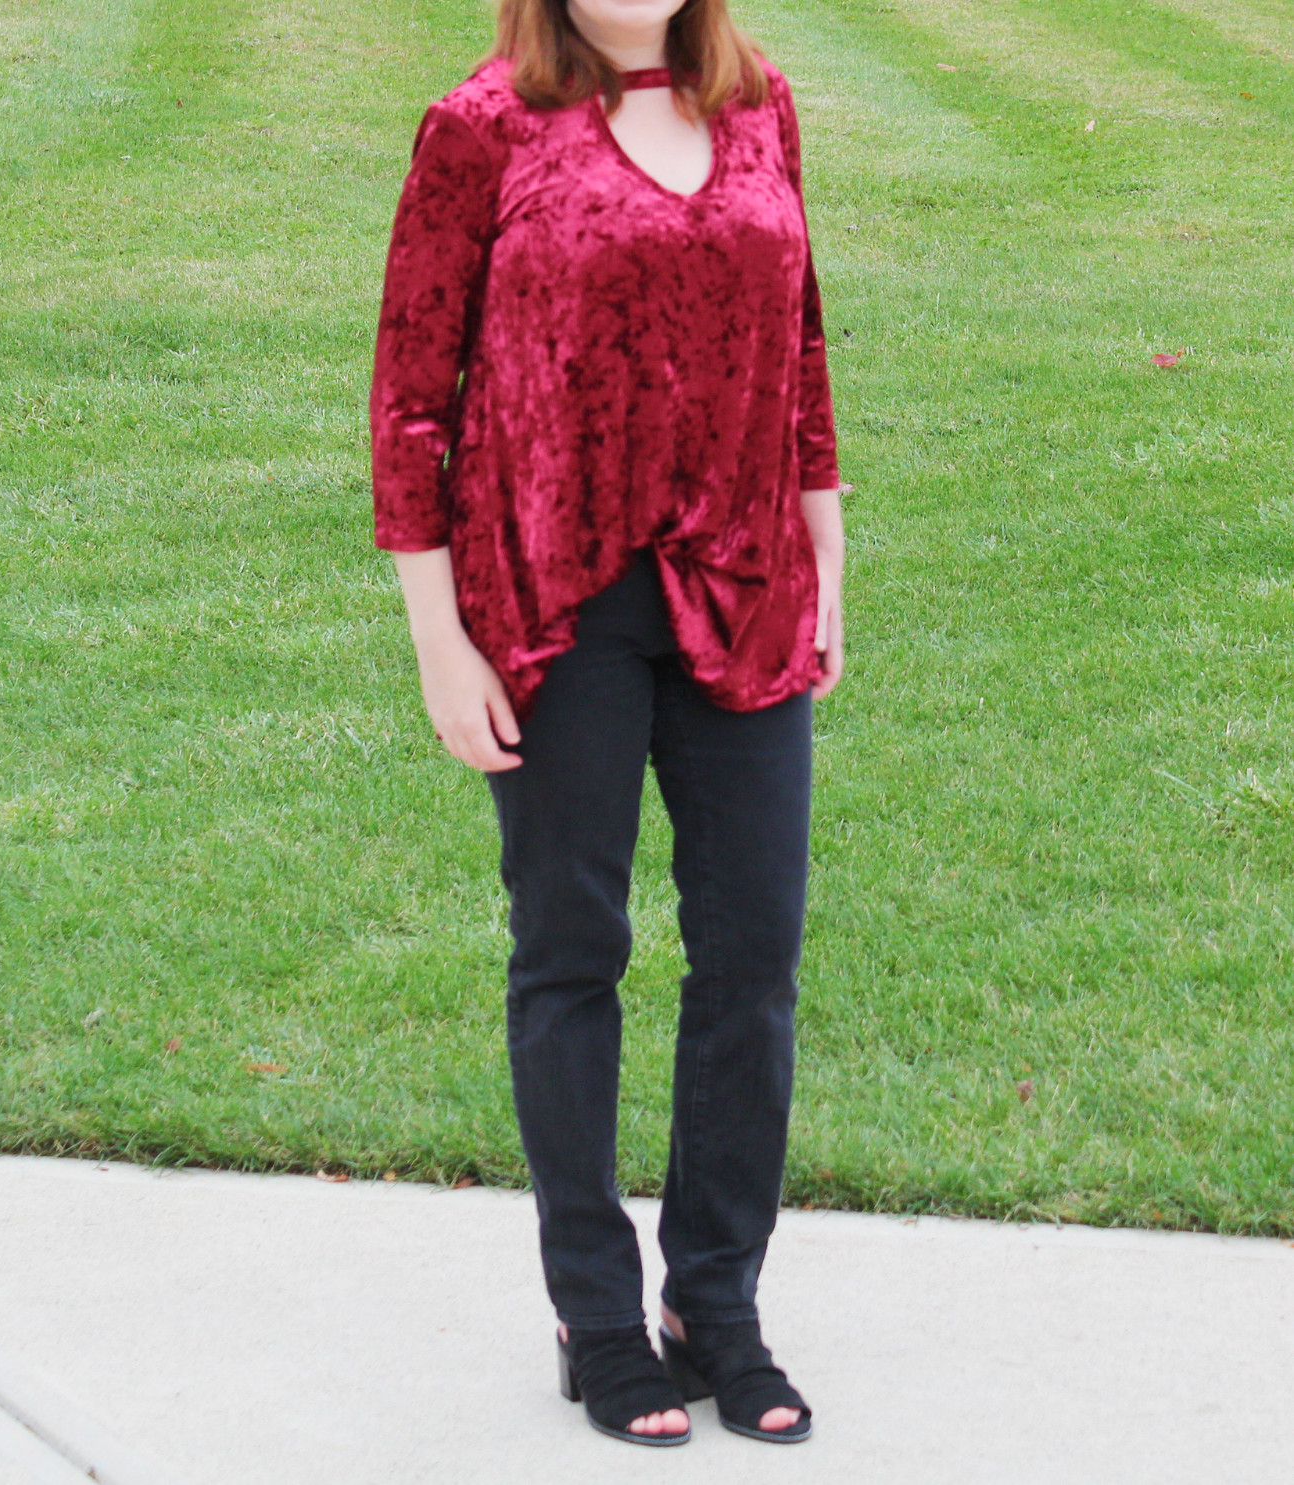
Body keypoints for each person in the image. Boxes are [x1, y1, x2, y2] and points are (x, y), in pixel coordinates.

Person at [369, 0, 846, 1449]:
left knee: (752, 952)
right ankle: (594, 1311)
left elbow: (802, 352)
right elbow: (410, 396)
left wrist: (830, 561)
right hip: (552, 605)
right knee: (572, 947)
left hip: (746, 585)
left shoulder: (759, 104)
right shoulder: (480, 127)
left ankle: (718, 1302)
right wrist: (439, 638)